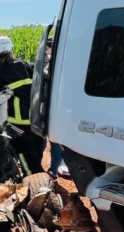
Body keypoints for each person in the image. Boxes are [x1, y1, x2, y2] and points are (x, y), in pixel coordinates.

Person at [0, 36, 44, 175]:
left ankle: (34, 181)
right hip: (36, 118)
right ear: (11, 49)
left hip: (16, 123)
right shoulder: (24, 65)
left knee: (25, 156)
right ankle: (39, 174)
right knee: (36, 150)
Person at [42, 36, 70, 180]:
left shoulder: (52, 62)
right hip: (59, 107)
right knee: (55, 140)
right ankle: (53, 171)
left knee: (52, 140)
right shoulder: (65, 60)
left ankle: (52, 171)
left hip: (53, 106)